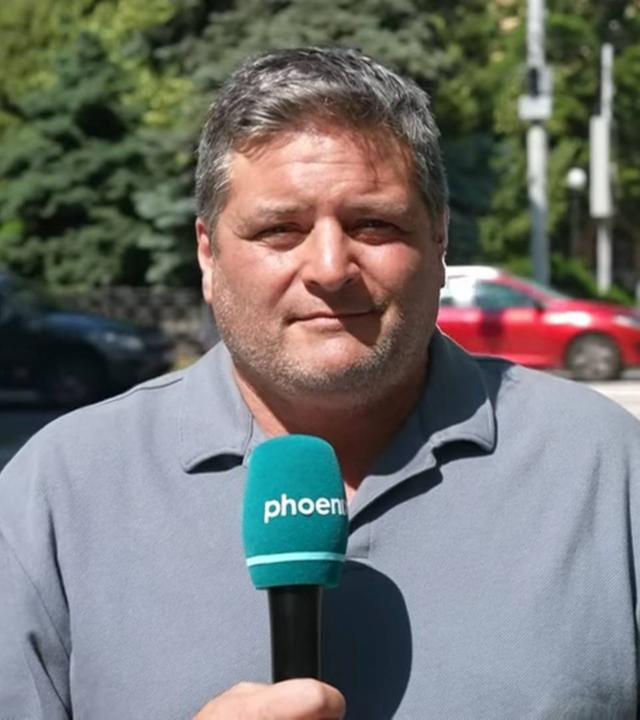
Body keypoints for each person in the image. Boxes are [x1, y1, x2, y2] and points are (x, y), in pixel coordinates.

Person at [1, 46, 639, 720]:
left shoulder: (604, 468)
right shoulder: (59, 490)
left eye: (373, 224)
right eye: (281, 229)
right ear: (208, 254)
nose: (330, 268)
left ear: (440, 241)